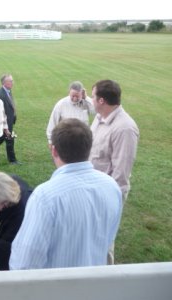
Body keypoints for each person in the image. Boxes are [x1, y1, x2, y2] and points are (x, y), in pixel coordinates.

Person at [9, 118, 123, 270]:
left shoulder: (45, 197)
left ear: (54, 150)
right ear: (89, 147)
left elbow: (24, 264)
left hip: (57, 290)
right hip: (96, 284)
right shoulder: (111, 187)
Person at [89, 79, 139, 264]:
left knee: (103, 240)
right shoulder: (99, 117)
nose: (90, 99)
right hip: (92, 189)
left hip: (107, 195)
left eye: (93, 96)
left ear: (101, 100)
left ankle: (105, 279)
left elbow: (121, 173)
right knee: (90, 237)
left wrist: (106, 201)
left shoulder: (125, 128)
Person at [46, 81, 95, 145]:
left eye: (77, 96)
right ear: (69, 93)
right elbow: (52, 123)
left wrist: (86, 98)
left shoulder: (86, 103)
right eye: (73, 96)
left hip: (83, 142)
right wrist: (51, 142)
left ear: (82, 93)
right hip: (66, 142)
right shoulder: (60, 105)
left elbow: (98, 112)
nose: (75, 99)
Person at [0, 74, 21, 165]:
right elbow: (0, 112)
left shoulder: (8, 90)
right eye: (10, 81)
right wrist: (4, 126)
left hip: (9, 121)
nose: (12, 82)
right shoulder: (0, 94)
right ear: (4, 83)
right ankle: (12, 160)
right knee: (9, 139)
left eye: (12, 80)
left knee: (2, 140)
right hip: (4, 123)